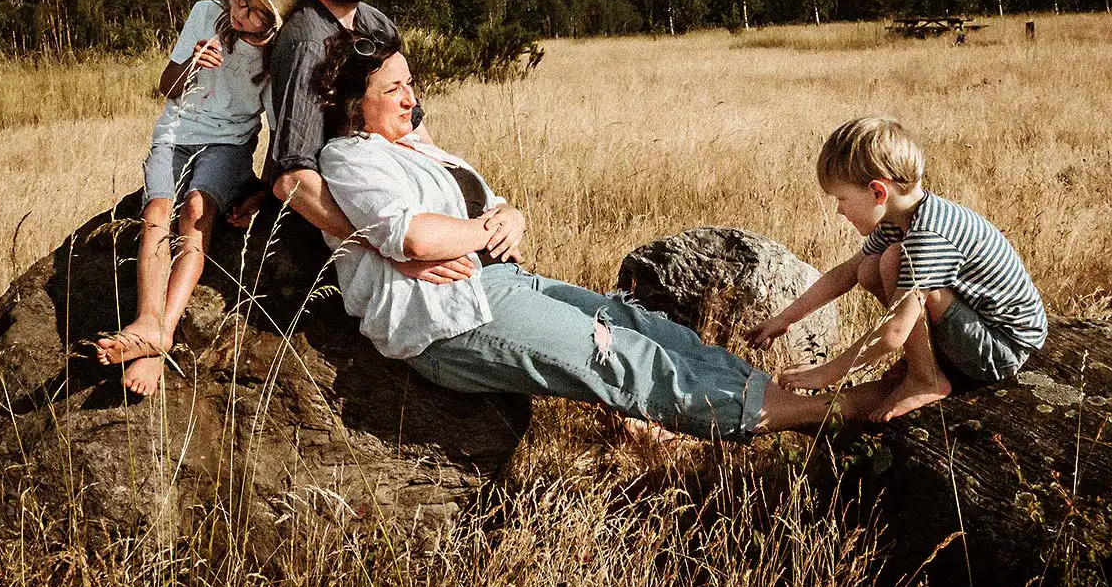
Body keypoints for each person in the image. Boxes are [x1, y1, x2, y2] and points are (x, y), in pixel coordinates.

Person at [312, 29, 838, 441]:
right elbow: (415, 237)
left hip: (505, 282)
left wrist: (509, 215)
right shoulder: (350, 157)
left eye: (410, 83)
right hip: (448, 320)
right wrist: (481, 231)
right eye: (392, 89)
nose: (410, 99)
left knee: (645, 328)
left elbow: (489, 206)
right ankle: (819, 413)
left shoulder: (415, 146)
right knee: (621, 358)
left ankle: (774, 399)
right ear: (356, 103)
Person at [95, 0, 303, 394]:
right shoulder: (205, 16)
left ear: (272, 25)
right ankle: (147, 320)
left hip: (228, 143)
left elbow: (275, 132)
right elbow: (166, 87)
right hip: (175, 132)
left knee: (195, 211)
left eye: (254, 12)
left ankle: (162, 333)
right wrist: (191, 64)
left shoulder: (272, 60)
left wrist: (262, 193)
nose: (239, 12)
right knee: (156, 211)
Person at [748, 117, 1047, 422]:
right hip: (974, 323)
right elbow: (846, 273)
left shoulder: (929, 237)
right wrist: (785, 319)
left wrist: (826, 373)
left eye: (842, 198)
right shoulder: (901, 219)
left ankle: (926, 378)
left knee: (893, 260)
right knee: (869, 268)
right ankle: (925, 365)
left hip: (1000, 346)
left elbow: (893, 332)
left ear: (879, 192)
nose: (839, 209)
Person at [265, 0, 469, 285]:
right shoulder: (307, 41)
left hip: (397, 195)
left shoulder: (376, 23)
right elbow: (291, 179)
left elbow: (413, 125)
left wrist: (462, 208)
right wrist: (388, 249)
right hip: (346, 212)